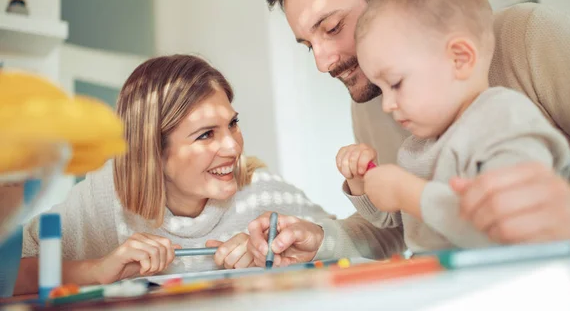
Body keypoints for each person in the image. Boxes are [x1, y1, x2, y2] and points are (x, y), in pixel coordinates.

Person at [248, 0, 570, 266]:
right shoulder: (373, 99)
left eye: (332, 27)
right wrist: (322, 239)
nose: (323, 64)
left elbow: (490, 219)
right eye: (309, 46)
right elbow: (404, 228)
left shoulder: (526, 36)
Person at [15, 55, 332, 295]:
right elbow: (10, 272)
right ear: (154, 152)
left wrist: (286, 255)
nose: (234, 148)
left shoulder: (262, 193)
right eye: (206, 134)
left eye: (232, 124)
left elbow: (363, 241)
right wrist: (97, 269)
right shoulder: (105, 195)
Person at [337, 0, 570, 251]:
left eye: (395, 83)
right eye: (381, 88)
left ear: (459, 59)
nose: (387, 104)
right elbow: (394, 218)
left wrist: (409, 194)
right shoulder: (417, 148)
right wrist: (364, 182)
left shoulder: (505, 120)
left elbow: (512, 225)